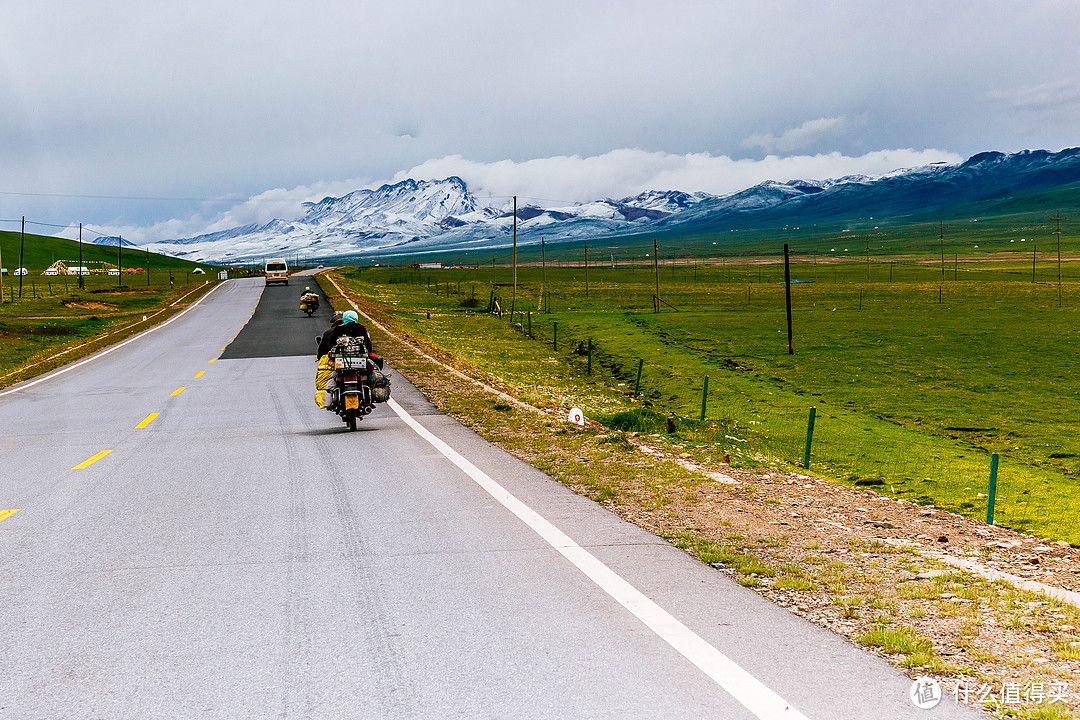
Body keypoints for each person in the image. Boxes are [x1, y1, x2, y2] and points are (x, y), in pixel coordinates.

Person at [315, 310, 373, 409]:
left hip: (341, 364)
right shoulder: (361, 329)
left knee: (333, 377)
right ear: (356, 318)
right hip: (359, 364)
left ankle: (333, 399)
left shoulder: (337, 330)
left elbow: (330, 346)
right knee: (367, 375)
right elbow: (369, 347)